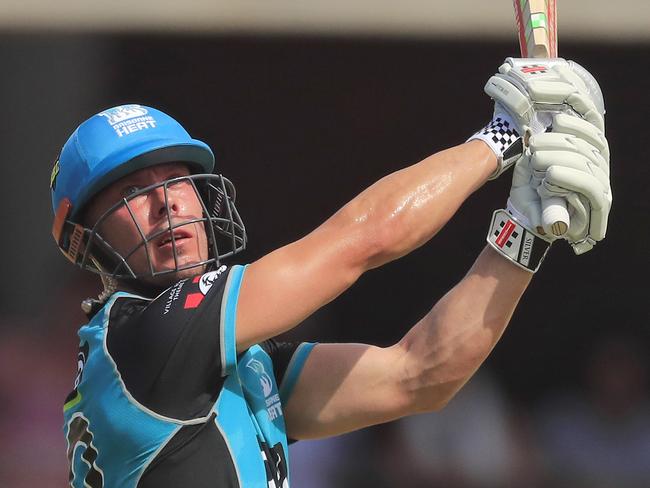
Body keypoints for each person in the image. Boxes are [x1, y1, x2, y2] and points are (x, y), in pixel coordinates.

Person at [51, 58, 611, 488]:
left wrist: (524, 230)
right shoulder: (146, 336)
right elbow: (362, 241)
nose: (167, 204)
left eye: (177, 182)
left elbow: (421, 374)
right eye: (134, 194)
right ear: (88, 241)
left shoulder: (215, 364)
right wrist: (503, 138)